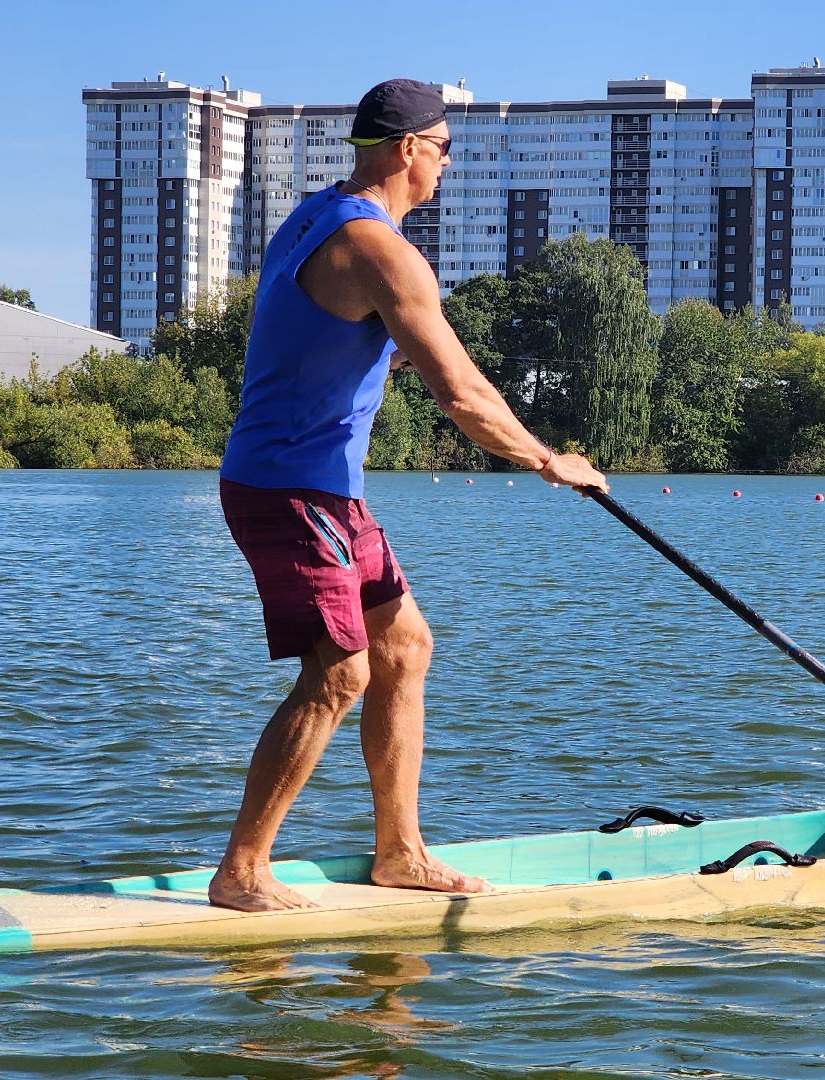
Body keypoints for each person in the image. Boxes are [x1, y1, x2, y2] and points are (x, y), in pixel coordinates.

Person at [212, 78, 607, 912]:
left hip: (321, 489)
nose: (446, 167)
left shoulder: (313, 216)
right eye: (443, 149)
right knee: (339, 674)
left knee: (404, 649)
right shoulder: (380, 248)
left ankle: (401, 853)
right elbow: (460, 394)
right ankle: (242, 871)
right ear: (406, 149)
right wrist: (547, 460)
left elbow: (328, 338)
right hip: (290, 490)